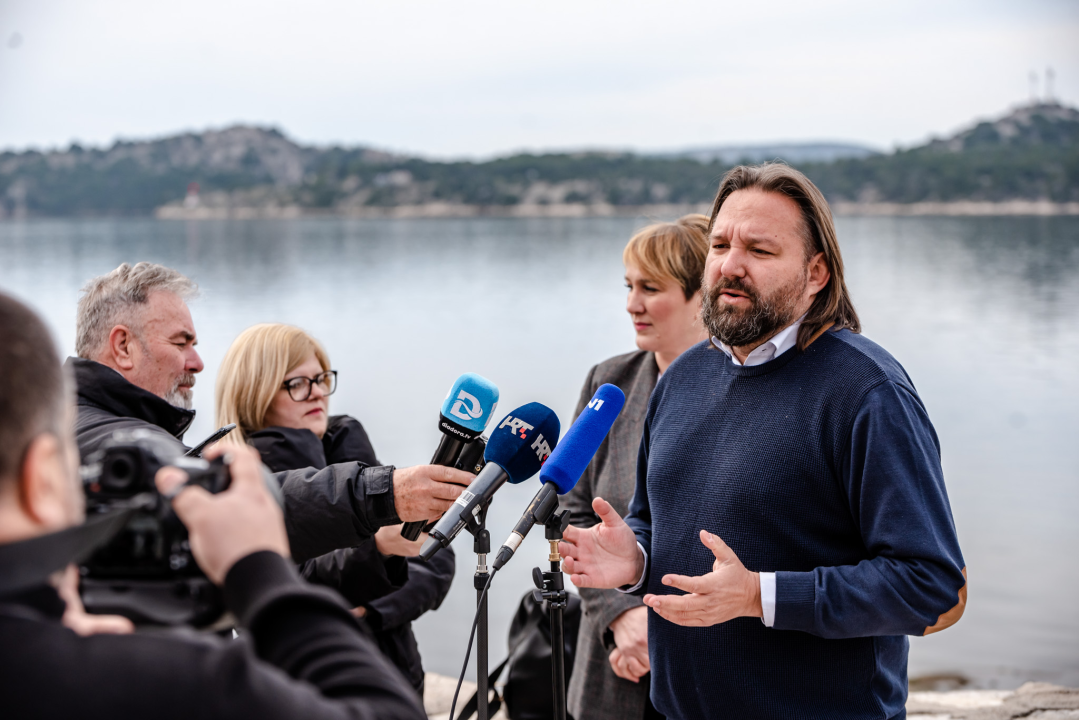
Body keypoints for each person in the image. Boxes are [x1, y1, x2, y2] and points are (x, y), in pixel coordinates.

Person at [559, 164, 967, 719]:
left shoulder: (867, 392)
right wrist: (635, 558)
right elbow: (654, 521)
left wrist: (761, 596)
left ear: (816, 272)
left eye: (760, 250)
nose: (730, 265)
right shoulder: (682, 377)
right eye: (721, 244)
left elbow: (933, 586)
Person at [0, 291, 427, 719]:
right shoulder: (161, 679)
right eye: (182, 342)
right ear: (39, 478)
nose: (199, 362)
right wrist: (260, 572)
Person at [66, 262, 472, 563]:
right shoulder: (115, 443)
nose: (198, 362)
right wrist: (383, 493)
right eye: (181, 343)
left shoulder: (85, 424)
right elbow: (232, 509)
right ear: (122, 346)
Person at [215, 323, 456, 695]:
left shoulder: (349, 453)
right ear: (255, 392)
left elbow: (437, 559)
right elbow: (285, 585)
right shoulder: (241, 481)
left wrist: (370, 611)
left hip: (397, 676)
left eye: (322, 378)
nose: (317, 393)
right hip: (306, 687)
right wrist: (379, 551)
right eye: (297, 384)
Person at [562, 215, 708, 720]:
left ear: (702, 296)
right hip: (615, 663)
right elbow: (568, 505)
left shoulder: (744, 393)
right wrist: (617, 614)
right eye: (628, 286)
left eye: (650, 288)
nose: (632, 304)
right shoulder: (610, 382)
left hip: (710, 662)